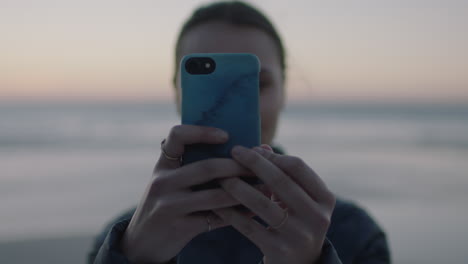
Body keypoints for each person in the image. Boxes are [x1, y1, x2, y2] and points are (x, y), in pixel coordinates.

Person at [88, 2, 391, 264]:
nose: (229, 106)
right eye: (208, 88)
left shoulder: (353, 233)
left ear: (284, 92)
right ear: (177, 92)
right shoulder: (128, 238)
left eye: (256, 85)